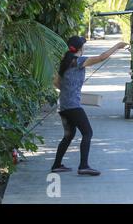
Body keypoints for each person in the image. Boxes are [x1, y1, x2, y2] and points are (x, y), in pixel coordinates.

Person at [52, 36, 128, 176]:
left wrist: (70, 87)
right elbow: (101, 57)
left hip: (63, 105)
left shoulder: (65, 62)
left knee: (69, 135)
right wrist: (117, 46)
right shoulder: (79, 61)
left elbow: (56, 83)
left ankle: (57, 165)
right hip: (73, 106)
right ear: (81, 48)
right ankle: (83, 166)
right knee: (87, 133)